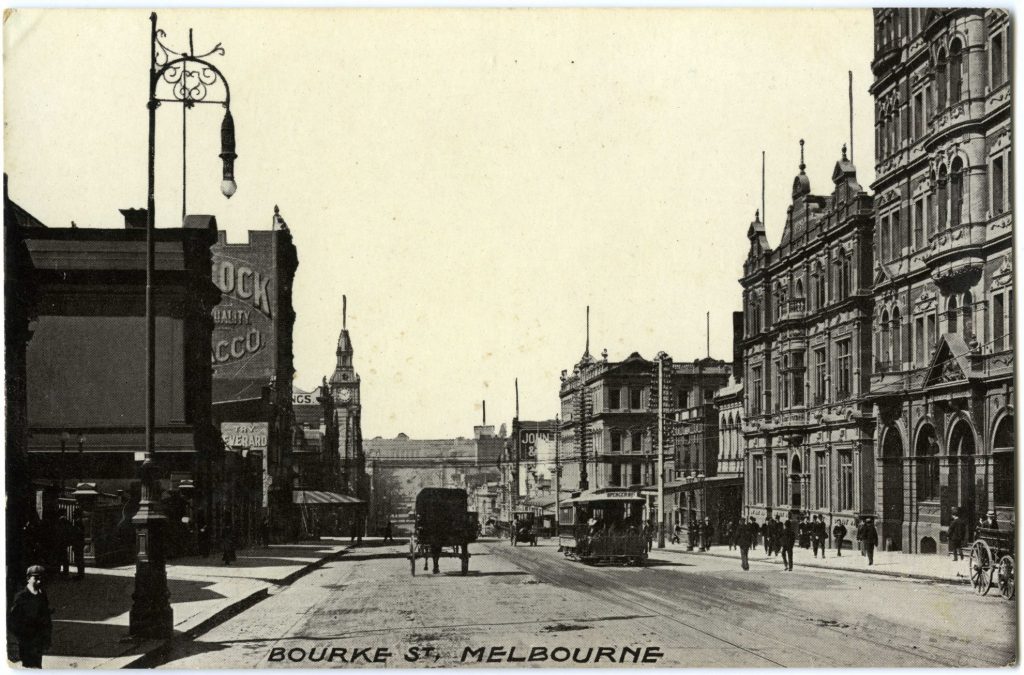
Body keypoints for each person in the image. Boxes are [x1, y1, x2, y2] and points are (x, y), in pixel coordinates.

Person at [8, 565, 52, 668]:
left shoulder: (42, 594)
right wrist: (23, 636)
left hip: (39, 640)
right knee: (29, 667)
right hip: (27, 641)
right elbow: (12, 621)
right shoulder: (21, 597)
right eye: (36, 578)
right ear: (28, 578)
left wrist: (47, 637)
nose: (39, 581)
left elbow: (46, 618)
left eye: (41, 578)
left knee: (37, 665)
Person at [70, 516, 85, 580]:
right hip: (80, 544)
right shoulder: (80, 521)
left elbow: (77, 534)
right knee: (80, 559)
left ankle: (80, 574)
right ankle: (81, 573)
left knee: (79, 560)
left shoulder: (78, 522)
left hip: (77, 544)